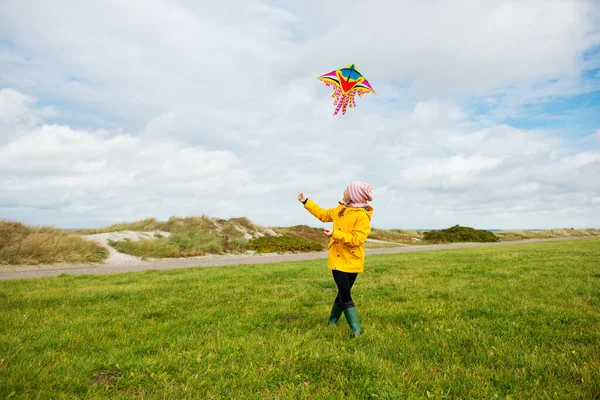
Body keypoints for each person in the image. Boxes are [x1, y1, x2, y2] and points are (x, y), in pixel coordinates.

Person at [297, 181, 374, 337]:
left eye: (347, 189)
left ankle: (333, 321)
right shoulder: (340, 209)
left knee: (343, 292)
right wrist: (306, 201)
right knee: (345, 293)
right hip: (337, 261)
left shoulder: (362, 216)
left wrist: (335, 234)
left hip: (352, 261)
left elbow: (357, 239)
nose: (344, 191)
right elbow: (323, 214)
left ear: (353, 195)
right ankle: (356, 329)